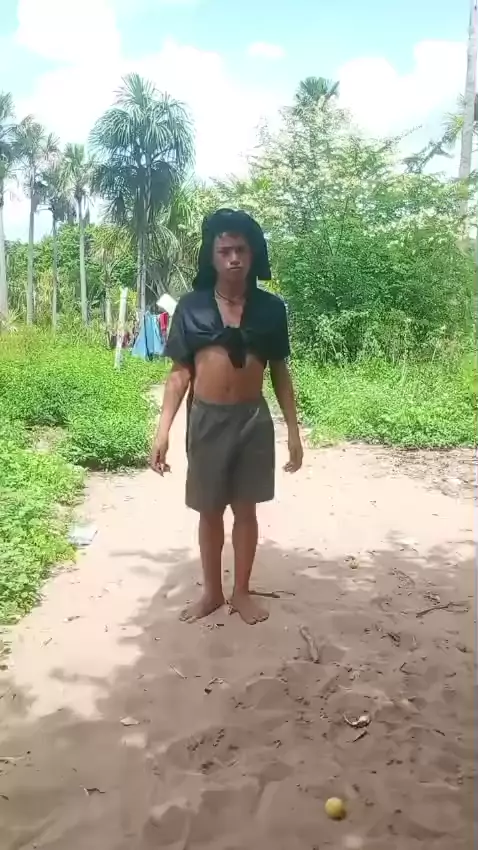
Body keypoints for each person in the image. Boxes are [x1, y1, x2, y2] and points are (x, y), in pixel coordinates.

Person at [150, 209, 303, 625]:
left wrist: (293, 430)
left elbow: (280, 372)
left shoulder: (270, 309)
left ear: (253, 255)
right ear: (212, 257)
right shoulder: (192, 307)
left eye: (241, 250)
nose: (234, 258)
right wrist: (162, 431)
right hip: (207, 421)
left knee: (246, 510)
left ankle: (241, 592)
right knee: (210, 510)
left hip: (253, 421)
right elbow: (179, 374)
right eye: (224, 251)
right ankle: (212, 593)